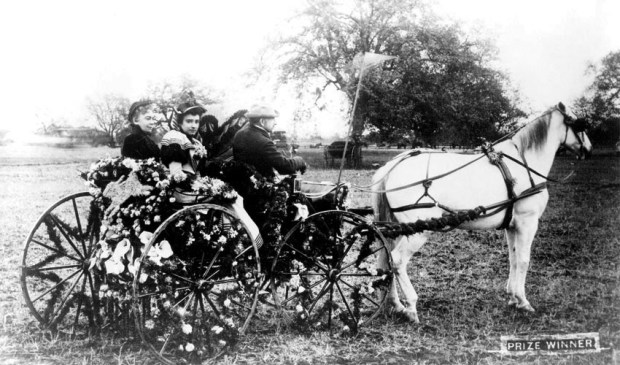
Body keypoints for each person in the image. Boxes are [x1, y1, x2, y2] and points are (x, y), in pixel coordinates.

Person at [232, 105, 306, 179]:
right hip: (258, 186)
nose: (275, 123)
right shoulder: (264, 142)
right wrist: (300, 161)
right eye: (273, 119)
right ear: (262, 121)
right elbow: (285, 167)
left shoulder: (239, 134)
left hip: (240, 182)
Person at [160, 100, 208, 179]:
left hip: (193, 185)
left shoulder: (196, 142)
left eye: (196, 122)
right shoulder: (174, 136)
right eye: (189, 121)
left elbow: (197, 172)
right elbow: (176, 175)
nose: (194, 126)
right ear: (179, 123)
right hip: (176, 186)